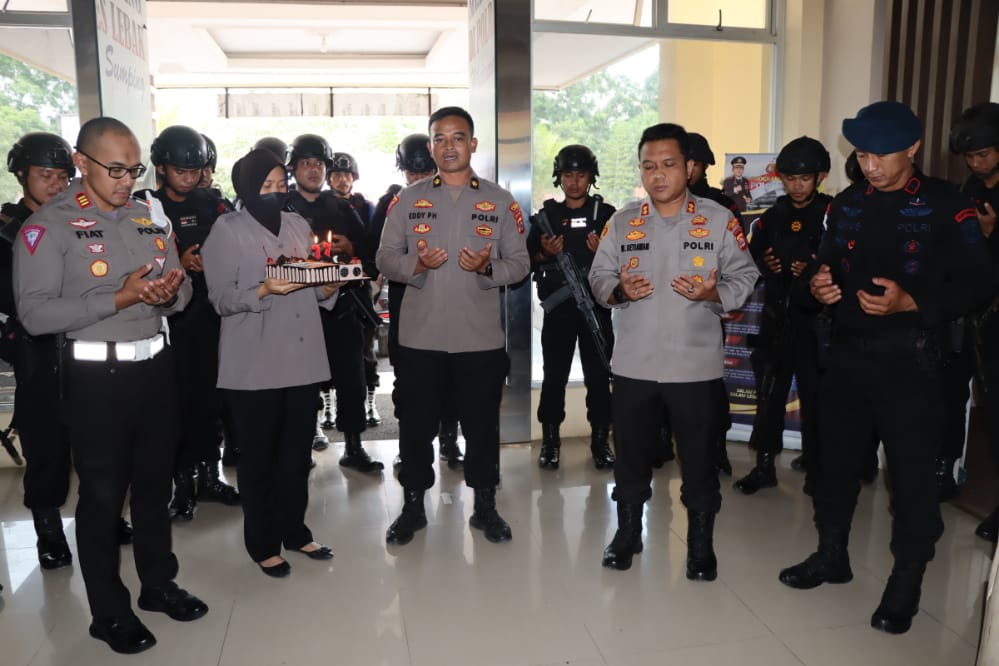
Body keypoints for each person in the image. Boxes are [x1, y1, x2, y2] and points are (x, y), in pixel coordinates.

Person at [778, 101, 992, 635]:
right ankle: (832, 554)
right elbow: (824, 267)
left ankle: (906, 580)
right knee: (834, 466)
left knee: (911, 478)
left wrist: (911, 302)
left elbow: (981, 283)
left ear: (913, 148)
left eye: (881, 155)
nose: (870, 166)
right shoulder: (849, 204)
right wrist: (819, 286)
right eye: (863, 155)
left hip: (912, 363)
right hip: (847, 357)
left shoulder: (948, 205)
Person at [13, 116, 206, 654]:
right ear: (82, 163)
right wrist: (117, 298)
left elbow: (182, 291)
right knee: (101, 496)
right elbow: (35, 315)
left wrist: (169, 294)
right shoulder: (48, 227)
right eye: (115, 169)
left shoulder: (147, 217)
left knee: (154, 487)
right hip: (97, 377)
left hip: (156, 369)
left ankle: (158, 585)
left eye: (134, 170)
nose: (126, 181)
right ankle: (108, 611)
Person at [589, 123, 759, 577]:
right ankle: (628, 533)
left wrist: (712, 293)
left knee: (700, 460)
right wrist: (619, 290)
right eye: (648, 166)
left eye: (668, 164)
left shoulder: (718, 219)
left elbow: (745, 275)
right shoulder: (623, 221)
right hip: (635, 365)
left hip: (694, 367)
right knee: (630, 456)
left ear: (689, 167)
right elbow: (599, 276)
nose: (658, 174)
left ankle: (701, 545)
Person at [376, 106, 530, 545]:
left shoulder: (500, 201)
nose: (449, 146)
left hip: (478, 340)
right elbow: (384, 258)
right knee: (415, 427)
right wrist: (416, 265)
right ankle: (412, 507)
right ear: (430, 147)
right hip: (420, 339)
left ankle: (485, 507)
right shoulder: (407, 200)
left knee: (481, 427)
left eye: (457, 137)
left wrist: (487, 268)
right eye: (440, 139)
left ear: (472, 144)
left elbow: (520, 264)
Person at [203, 148, 341, 579]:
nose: (276, 193)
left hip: (302, 359)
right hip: (254, 363)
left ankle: (295, 530)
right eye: (266, 186)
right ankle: (262, 543)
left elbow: (314, 286)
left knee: (296, 456)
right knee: (259, 457)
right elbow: (220, 299)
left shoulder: (299, 225)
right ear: (247, 187)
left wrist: (329, 284)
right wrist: (263, 291)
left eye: (281, 185)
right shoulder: (227, 230)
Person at [141, 125, 239, 520]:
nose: (188, 178)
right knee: (176, 406)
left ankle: (210, 476)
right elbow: (133, 265)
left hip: (212, 318)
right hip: (169, 323)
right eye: (180, 171)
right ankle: (182, 484)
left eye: (195, 170)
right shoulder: (144, 207)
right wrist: (177, 264)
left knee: (211, 401)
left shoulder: (213, 204)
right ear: (162, 168)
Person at [1, 132, 79, 570]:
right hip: (35, 350)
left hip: (83, 343)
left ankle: (102, 516)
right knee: (45, 445)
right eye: (45, 175)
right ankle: (48, 528)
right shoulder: (6, 231)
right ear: (21, 175)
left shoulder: (78, 222)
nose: (56, 184)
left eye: (63, 176)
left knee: (95, 439)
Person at [735, 136, 830, 495]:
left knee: (817, 399)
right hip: (777, 321)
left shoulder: (834, 214)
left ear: (820, 177)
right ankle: (764, 467)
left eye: (804, 178)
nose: (797, 185)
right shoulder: (773, 216)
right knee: (770, 396)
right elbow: (749, 261)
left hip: (817, 323)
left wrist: (816, 268)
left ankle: (818, 470)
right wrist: (765, 264)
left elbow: (848, 263)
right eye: (789, 178)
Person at [286, 133, 384, 472]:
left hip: (342, 306)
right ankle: (300, 448)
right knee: (299, 383)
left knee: (352, 378)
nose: (313, 169)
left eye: (319, 163)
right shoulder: (281, 207)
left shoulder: (341, 206)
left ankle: (354, 446)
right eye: (306, 163)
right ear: (293, 168)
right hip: (297, 310)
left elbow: (370, 252)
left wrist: (350, 249)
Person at [368, 133, 464, 471]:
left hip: (449, 297)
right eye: (413, 173)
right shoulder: (392, 202)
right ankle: (408, 445)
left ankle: (449, 440)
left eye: (425, 173)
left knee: (450, 373)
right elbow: (377, 252)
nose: (419, 179)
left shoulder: (457, 198)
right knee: (408, 377)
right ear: (402, 171)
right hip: (407, 297)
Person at [528, 144, 616, 470]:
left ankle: (600, 442)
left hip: (596, 309)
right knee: (554, 377)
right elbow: (526, 261)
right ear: (559, 177)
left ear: (591, 177)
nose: (574, 181)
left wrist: (604, 251)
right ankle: (550, 441)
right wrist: (545, 254)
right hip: (559, 312)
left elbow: (627, 260)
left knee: (599, 378)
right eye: (568, 175)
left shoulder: (607, 216)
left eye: (581, 175)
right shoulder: (547, 217)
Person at [949, 102, 999, 540]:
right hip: (976, 317)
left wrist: (990, 236)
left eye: (983, 154)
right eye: (970, 156)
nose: (976, 163)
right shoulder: (969, 188)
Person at [327, 150, 380, 421]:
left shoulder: (366, 208)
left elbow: (376, 245)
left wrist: (353, 248)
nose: (342, 179)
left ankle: (370, 401)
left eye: (347, 174)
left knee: (365, 346)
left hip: (358, 287)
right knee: (325, 351)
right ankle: (327, 405)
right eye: (336, 174)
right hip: (324, 286)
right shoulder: (320, 205)